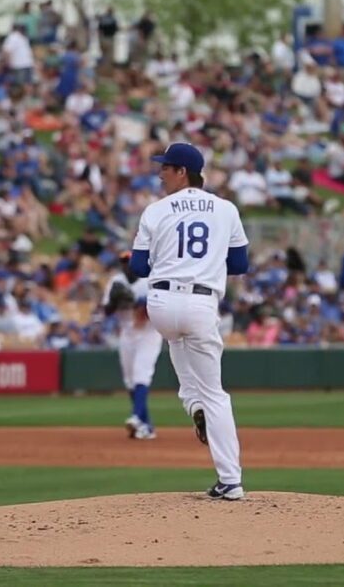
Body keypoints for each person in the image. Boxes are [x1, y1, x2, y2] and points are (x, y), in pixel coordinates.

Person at [129, 142, 250, 500]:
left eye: (165, 167)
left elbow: (136, 268)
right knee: (216, 394)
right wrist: (206, 262)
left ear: (183, 171)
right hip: (200, 303)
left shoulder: (155, 210)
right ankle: (231, 481)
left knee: (179, 350)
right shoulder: (226, 209)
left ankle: (193, 406)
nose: (160, 172)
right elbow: (240, 265)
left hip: (162, 303)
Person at [102, 252, 162, 440]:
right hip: (127, 335)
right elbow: (106, 311)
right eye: (124, 262)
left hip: (149, 334)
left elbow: (158, 307)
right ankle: (146, 425)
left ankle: (136, 417)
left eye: (129, 261)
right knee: (129, 381)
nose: (127, 265)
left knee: (141, 375)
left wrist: (136, 301)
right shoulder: (116, 281)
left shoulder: (150, 280)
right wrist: (113, 301)